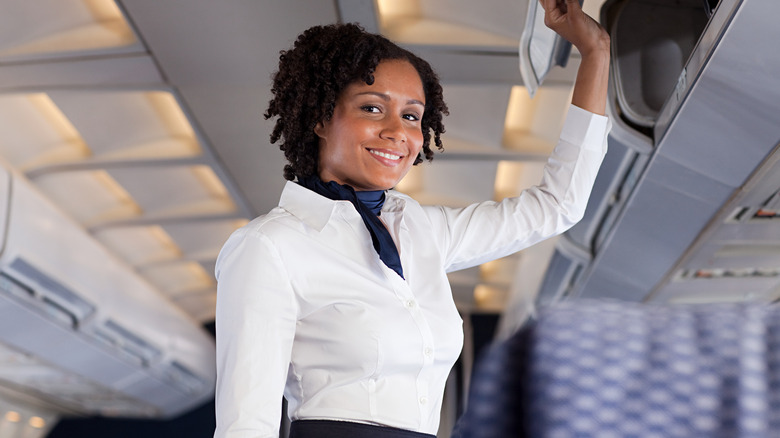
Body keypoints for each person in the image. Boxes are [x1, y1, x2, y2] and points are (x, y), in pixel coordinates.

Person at [213, 1, 611, 437]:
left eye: (411, 116)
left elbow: (557, 206)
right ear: (320, 117)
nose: (397, 132)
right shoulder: (270, 246)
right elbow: (245, 424)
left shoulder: (423, 231)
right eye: (371, 108)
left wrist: (596, 52)